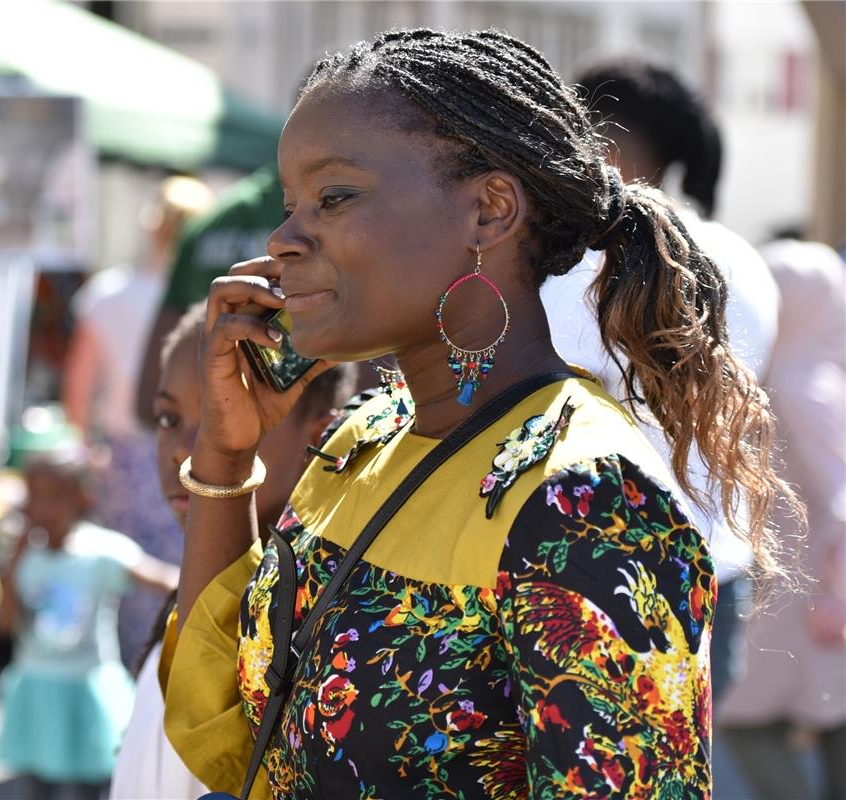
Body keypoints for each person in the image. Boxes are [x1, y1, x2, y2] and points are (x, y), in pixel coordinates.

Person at [163, 29, 799, 798]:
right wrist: (227, 457)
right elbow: (220, 728)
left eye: (333, 198)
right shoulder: (365, 438)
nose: (282, 238)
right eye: (291, 203)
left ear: (489, 212)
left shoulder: (580, 499)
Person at [543, 59, 780, 701]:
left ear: (600, 141)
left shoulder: (577, 260)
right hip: (716, 574)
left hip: (598, 576)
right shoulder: (746, 260)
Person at [110, 301, 355, 800]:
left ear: (321, 432)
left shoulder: (310, 619)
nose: (184, 447)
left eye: (224, 410)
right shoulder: (187, 605)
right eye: (167, 417)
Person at [62, 175, 213, 666]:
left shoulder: (107, 295)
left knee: (121, 580)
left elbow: (77, 394)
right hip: (198, 451)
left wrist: (90, 453)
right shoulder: (216, 301)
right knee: (180, 576)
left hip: (124, 460)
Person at [718, 240, 846, 800]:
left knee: (752, 720)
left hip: (806, 594)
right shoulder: (811, 373)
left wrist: (838, 592)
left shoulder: (798, 383)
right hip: (797, 590)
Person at [0, 438, 178, 800]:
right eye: (34, 495)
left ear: (82, 497)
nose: (42, 507)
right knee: (36, 788)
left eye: (54, 495)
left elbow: (164, 579)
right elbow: (2, 623)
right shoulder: (24, 556)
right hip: (37, 689)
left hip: (85, 692)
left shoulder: (101, 551)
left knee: (85, 790)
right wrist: (15, 557)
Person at [135, 164, 284, 426]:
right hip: (297, 443)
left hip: (203, 434)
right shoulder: (329, 221)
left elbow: (148, 398)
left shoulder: (204, 225)